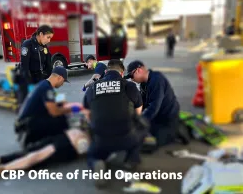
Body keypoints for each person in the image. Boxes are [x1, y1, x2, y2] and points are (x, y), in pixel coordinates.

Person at [83, 59, 148, 188]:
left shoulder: (93, 87)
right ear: (122, 73)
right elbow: (138, 113)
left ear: (106, 72)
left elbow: (87, 114)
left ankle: (97, 162)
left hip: (101, 139)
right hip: (126, 137)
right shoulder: (129, 86)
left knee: (92, 155)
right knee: (144, 125)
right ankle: (132, 159)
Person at [0, 126, 90, 180]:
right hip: (63, 137)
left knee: (35, 157)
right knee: (29, 151)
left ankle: (0, 169)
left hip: (68, 145)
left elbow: (83, 150)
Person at [15, 66, 84, 147]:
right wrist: (70, 109)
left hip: (25, 122)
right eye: (63, 81)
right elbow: (54, 112)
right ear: (59, 77)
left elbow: (61, 100)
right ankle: (52, 145)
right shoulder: (46, 88)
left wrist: (68, 104)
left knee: (59, 115)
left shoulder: (44, 85)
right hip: (27, 124)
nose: (62, 84)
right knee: (61, 120)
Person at [125, 60, 180, 148]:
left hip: (167, 119)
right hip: (157, 118)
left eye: (132, 76)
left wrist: (140, 121)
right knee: (141, 137)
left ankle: (177, 131)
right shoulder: (144, 83)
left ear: (139, 70)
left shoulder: (157, 80)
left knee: (154, 143)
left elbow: (154, 106)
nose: (132, 79)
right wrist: (134, 116)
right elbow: (142, 103)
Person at [17, 25, 54, 105]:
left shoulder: (44, 47)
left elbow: (48, 64)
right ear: (41, 34)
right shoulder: (27, 44)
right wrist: (29, 83)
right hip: (29, 78)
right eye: (48, 37)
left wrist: (50, 78)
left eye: (50, 38)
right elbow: (24, 66)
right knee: (29, 103)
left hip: (40, 78)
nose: (49, 40)